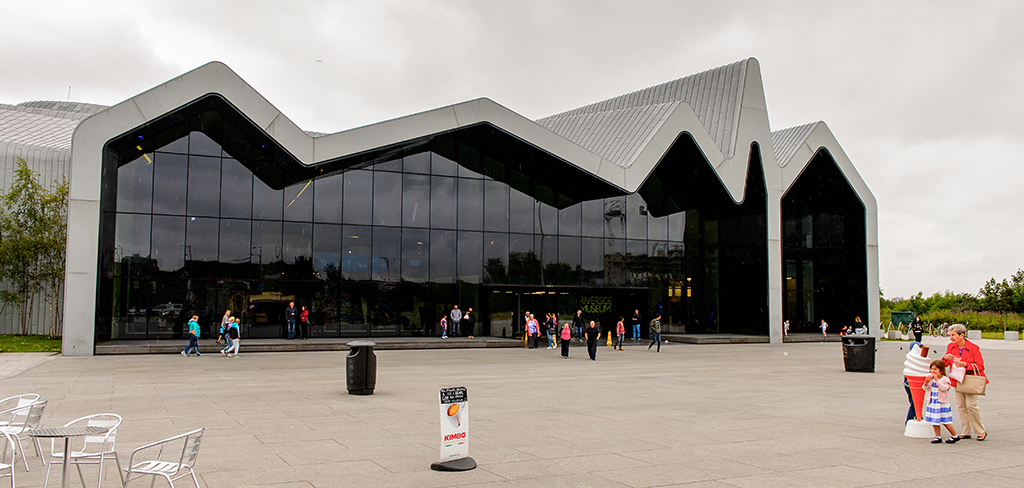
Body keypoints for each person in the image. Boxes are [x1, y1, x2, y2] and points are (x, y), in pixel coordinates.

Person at [942, 323, 988, 441]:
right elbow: (945, 364)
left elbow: (981, 366)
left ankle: (980, 431)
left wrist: (966, 365)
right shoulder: (951, 347)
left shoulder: (973, 348)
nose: (951, 338)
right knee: (961, 406)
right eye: (950, 335)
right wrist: (945, 358)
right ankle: (966, 431)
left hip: (971, 379)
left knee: (971, 405)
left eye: (953, 335)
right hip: (958, 379)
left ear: (962, 335)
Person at [923, 359, 959, 443]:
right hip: (932, 402)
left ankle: (955, 435)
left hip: (941, 403)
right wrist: (926, 382)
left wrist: (937, 380)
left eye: (935, 369)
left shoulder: (945, 379)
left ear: (941, 371)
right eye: (932, 369)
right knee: (934, 421)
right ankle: (938, 436)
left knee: (945, 421)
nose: (933, 371)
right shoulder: (930, 378)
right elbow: (925, 388)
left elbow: (944, 388)